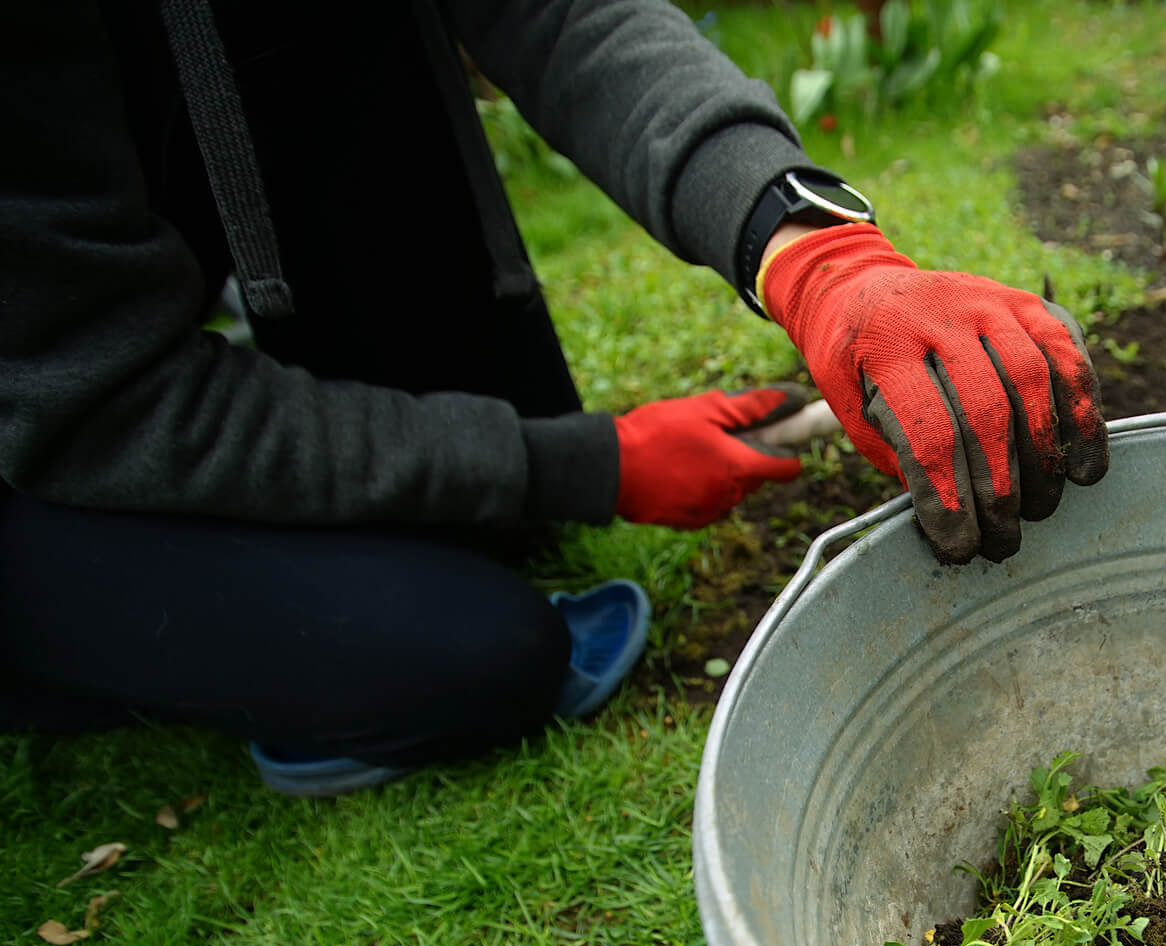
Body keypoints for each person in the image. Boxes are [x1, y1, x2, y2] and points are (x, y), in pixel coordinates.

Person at [0, 0, 1108, 795]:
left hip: (121, 297)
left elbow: (564, 17)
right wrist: (593, 462)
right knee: (472, 651)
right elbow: (108, 403)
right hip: (54, 421)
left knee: (495, 530)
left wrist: (815, 256)